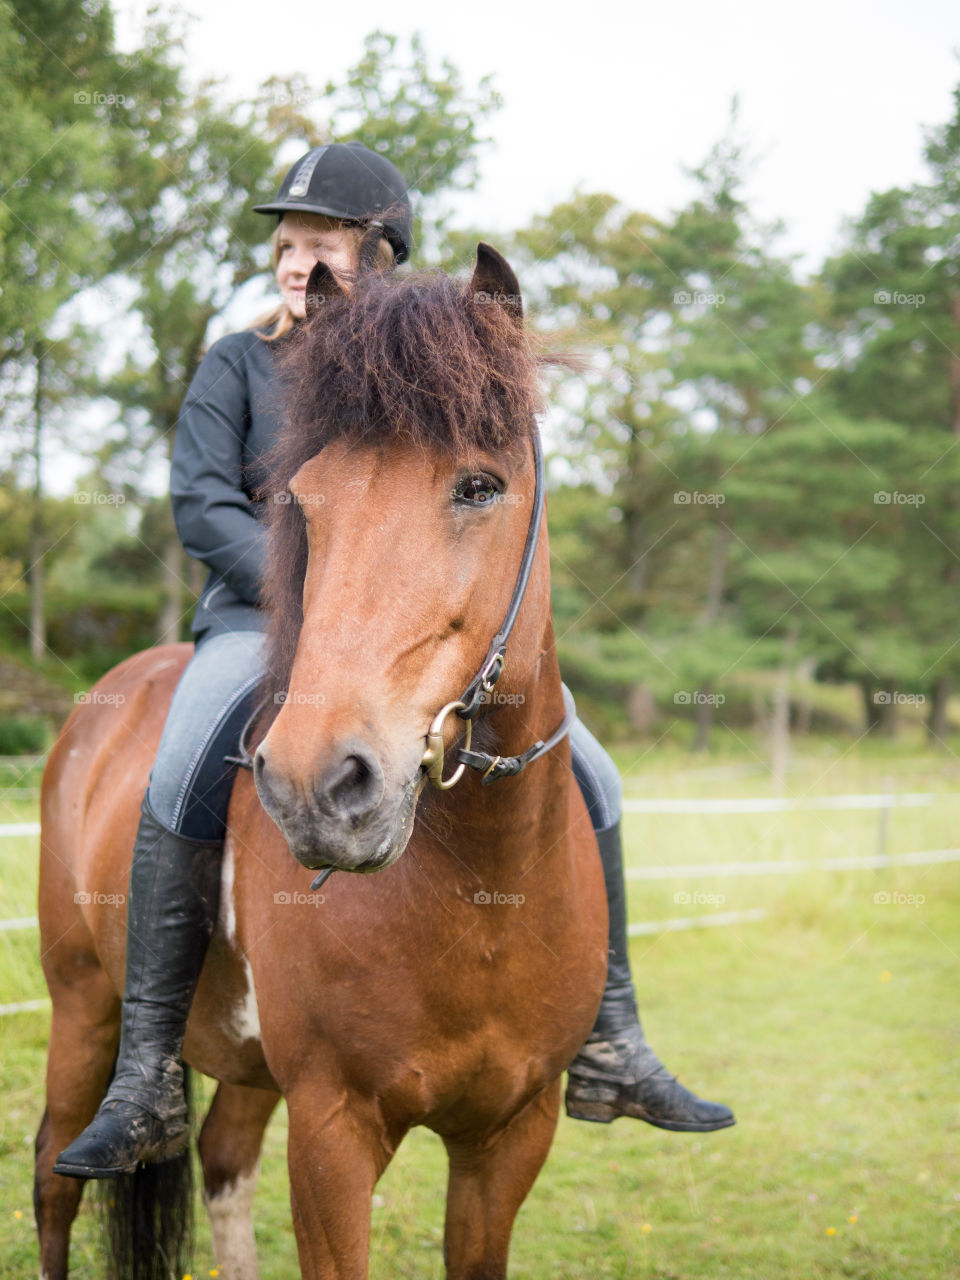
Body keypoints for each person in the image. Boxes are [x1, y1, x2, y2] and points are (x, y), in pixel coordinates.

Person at [55, 144, 733, 1179]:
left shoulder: (400, 375)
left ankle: (613, 1035)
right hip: (253, 619)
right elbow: (200, 503)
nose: (294, 259)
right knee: (185, 751)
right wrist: (307, 599)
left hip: (382, 638)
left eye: (318, 241)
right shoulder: (238, 363)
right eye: (286, 242)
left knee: (589, 761)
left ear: (373, 252)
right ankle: (147, 1064)